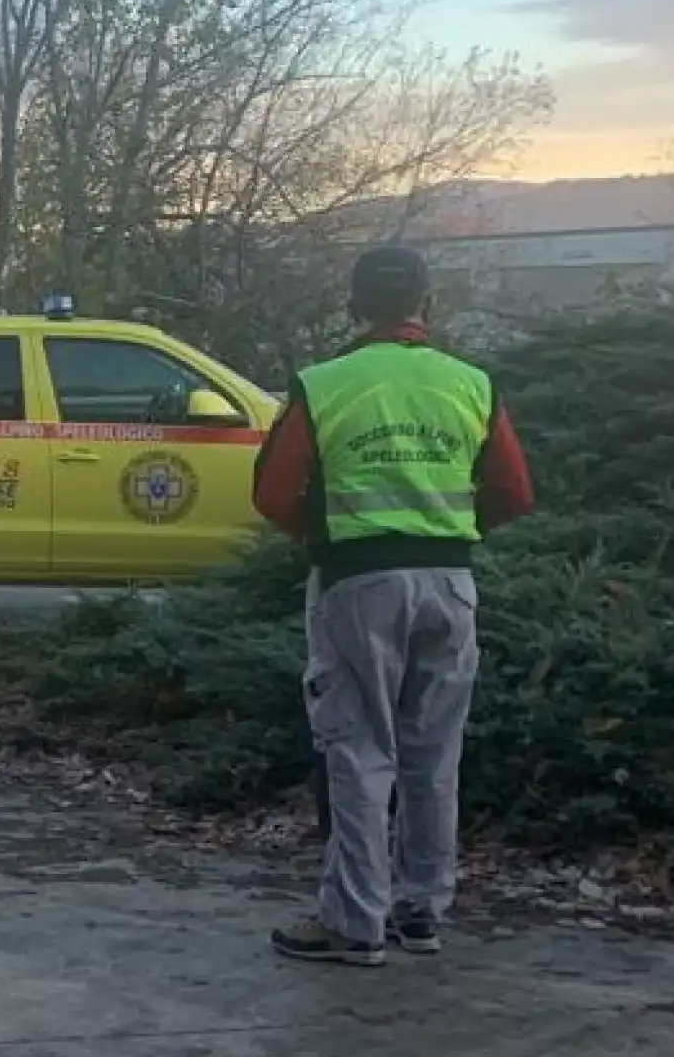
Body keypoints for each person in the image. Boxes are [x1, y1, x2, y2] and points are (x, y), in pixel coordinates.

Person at [251, 244, 534, 966]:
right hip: (450, 582)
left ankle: (354, 923)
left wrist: (324, 541)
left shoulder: (324, 384)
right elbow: (515, 493)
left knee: (357, 748)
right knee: (433, 755)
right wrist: (449, 532)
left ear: (353, 307)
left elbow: (273, 494)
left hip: (357, 583)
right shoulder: (472, 384)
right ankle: (422, 910)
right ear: (425, 306)